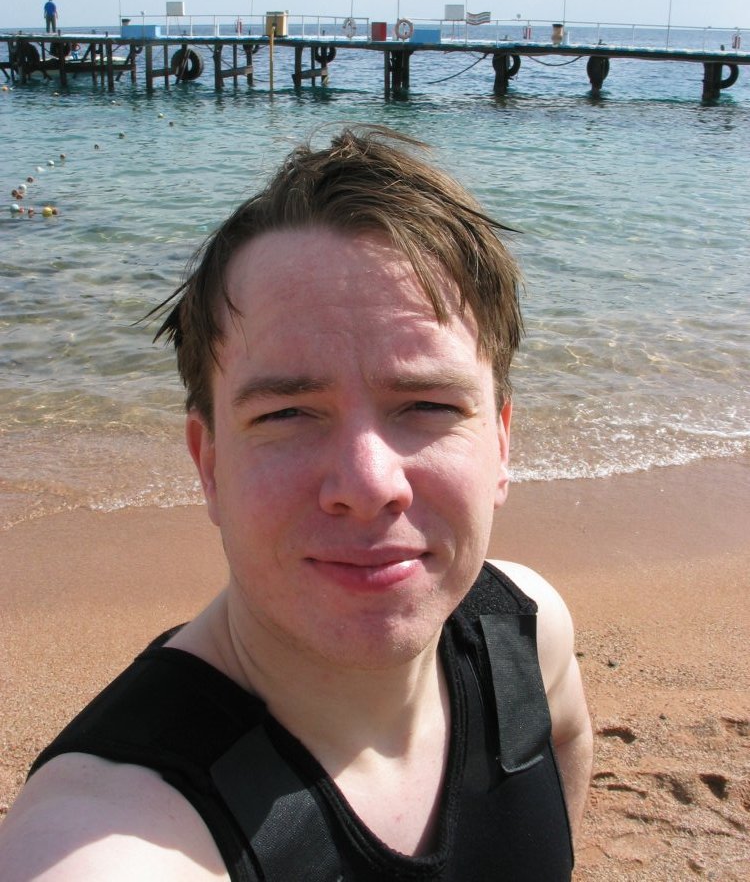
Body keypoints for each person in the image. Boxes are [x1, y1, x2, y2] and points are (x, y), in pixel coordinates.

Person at [0, 127, 593, 880]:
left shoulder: (526, 632)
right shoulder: (118, 833)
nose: (369, 484)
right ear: (209, 463)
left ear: (502, 443)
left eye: (427, 405)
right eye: (286, 413)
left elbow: (566, 739)